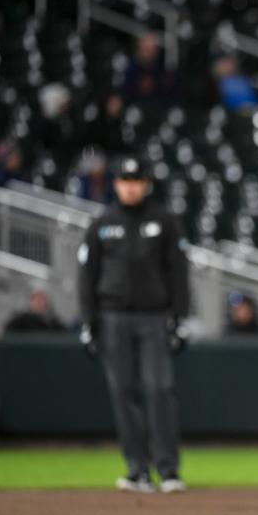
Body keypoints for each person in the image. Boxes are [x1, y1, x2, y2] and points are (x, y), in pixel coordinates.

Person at [77, 156, 190, 494]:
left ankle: (167, 471)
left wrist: (179, 318)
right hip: (113, 317)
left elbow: (179, 273)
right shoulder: (101, 223)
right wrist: (88, 322)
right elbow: (87, 276)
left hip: (154, 317)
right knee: (123, 393)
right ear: (116, 184)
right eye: (125, 180)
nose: (130, 186)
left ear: (146, 184)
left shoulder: (165, 222)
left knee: (159, 391)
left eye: (136, 180)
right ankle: (136, 470)